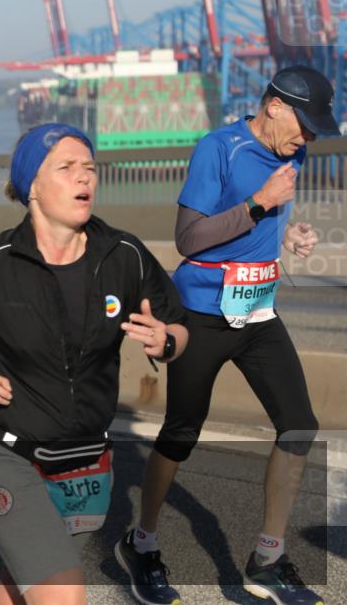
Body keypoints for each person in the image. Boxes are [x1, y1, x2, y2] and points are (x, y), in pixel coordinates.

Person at [0, 123, 189, 605]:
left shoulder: (124, 255)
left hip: (84, 460)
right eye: (67, 168)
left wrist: (166, 342)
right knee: (61, 594)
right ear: (31, 185)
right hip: (4, 450)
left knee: (25, 581)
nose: (84, 177)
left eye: (90, 168)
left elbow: (179, 328)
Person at [118, 65, 336, 605]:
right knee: (182, 432)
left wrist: (288, 232)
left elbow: (263, 223)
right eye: (305, 125)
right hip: (201, 314)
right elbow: (189, 238)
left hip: (258, 313)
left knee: (299, 426)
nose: (308, 139)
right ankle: (141, 542)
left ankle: (267, 558)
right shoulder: (217, 149)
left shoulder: (292, 153)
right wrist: (260, 202)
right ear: (275, 106)